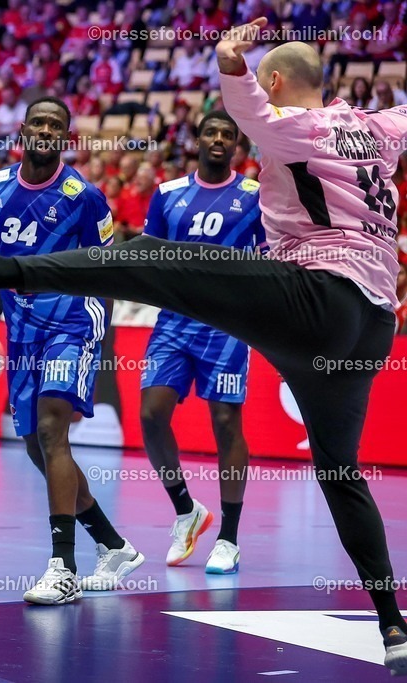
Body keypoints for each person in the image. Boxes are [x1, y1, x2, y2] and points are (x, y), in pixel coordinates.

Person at [0, 22, 407, 674]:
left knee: (149, 259)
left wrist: (230, 57)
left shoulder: (288, 124)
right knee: (340, 474)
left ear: (276, 81)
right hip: (373, 326)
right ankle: (393, 625)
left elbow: (242, 99)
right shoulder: (383, 127)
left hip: (314, 296)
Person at [0, 97, 146, 604]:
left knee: (53, 431)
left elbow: (107, 267)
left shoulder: (85, 197)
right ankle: (113, 545)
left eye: (57, 125)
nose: (47, 130)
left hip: (73, 320)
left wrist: (97, 327)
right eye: (39, 122)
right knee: (35, 445)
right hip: (22, 328)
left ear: (66, 137)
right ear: (24, 130)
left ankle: (63, 568)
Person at [139, 110, 266, 574]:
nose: (218, 139)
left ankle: (228, 539)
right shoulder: (168, 194)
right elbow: (148, 258)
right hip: (173, 322)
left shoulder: (255, 196)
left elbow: (268, 262)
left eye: (227, 134)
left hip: (226, 326)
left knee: (226, 424)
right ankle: (186, 510)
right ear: (196, 140)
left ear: (237, 145)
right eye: (210, 132)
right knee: (151, 415)